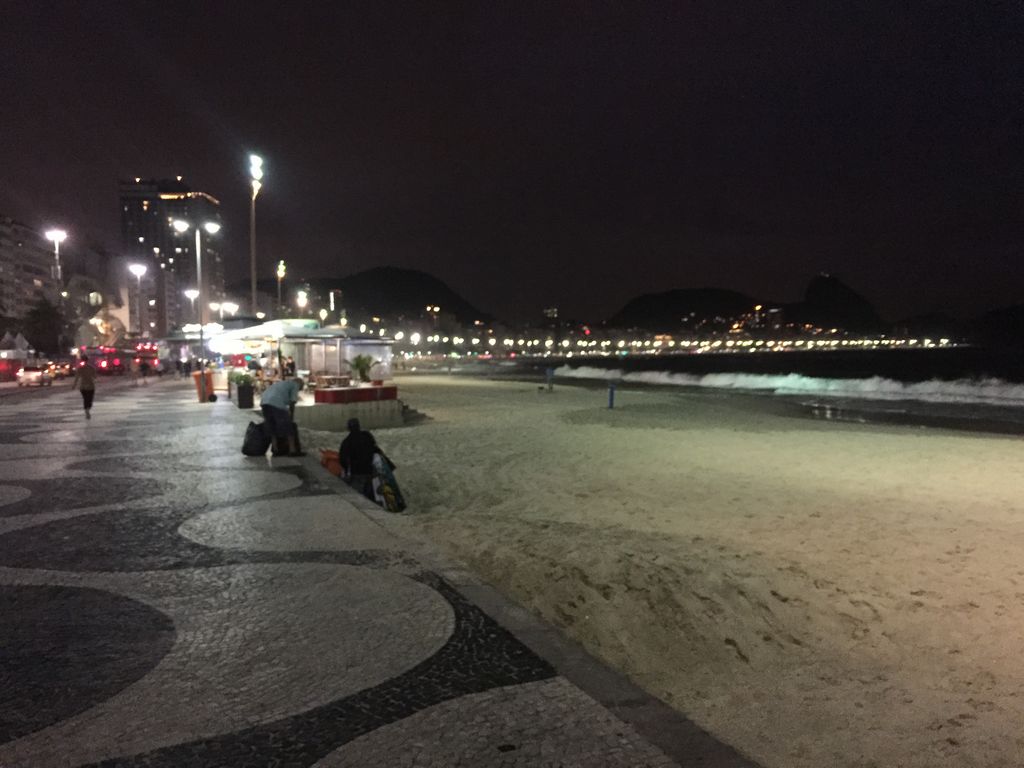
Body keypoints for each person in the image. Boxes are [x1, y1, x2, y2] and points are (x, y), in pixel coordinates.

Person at [260, 377, 305, 456]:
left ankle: (275, 448)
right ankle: (292, 450)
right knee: (288, 427)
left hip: (264, 402)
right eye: (300, 389)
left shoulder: (282, 383)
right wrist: (291, 417)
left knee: (272, 426)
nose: (299, 390)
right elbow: (292, 402)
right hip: (276, 402)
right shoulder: (295, 384)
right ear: (300, 384)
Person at [338, 418, 378, 499]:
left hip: (357, 472)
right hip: (369, 471)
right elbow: (375, 450)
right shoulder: (367, 436)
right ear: (359, 426)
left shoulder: (347, 441)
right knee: (369, 494)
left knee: (359, 496)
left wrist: (346, 471)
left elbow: (342, 459)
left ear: (348, 428)